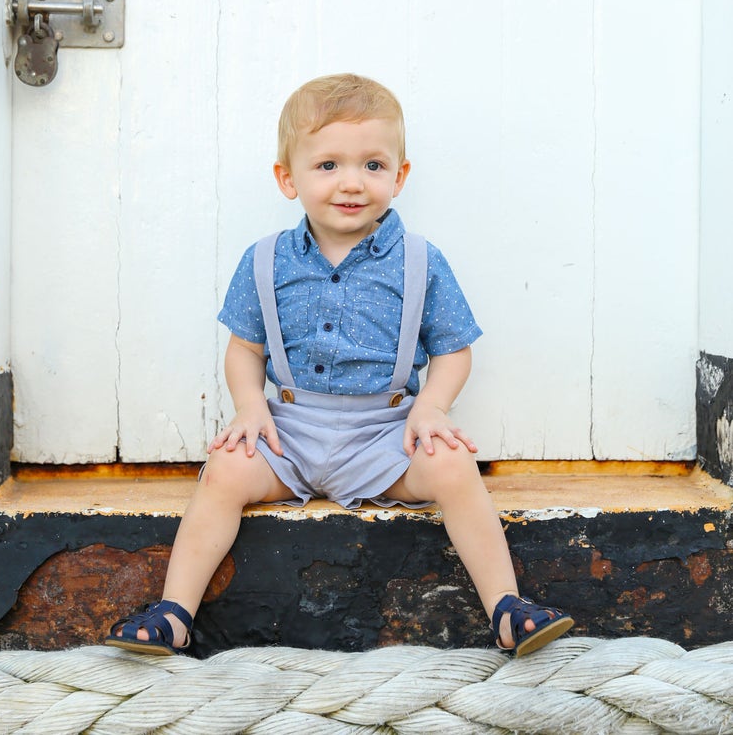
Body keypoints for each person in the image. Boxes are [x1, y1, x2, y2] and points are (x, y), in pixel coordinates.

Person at [106, 73, 574, 658]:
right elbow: (245, 350)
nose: (352, 182)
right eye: (328, 165)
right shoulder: (264, 261)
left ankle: (508, 609)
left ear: (399, 176)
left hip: (384, 436)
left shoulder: (421, 262)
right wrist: (251, 407)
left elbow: (454, 350)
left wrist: (430, 407)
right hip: (291, 431)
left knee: (453, 465)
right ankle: (174, 614)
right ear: (287, 178)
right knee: (224, 470)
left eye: (373, 165)